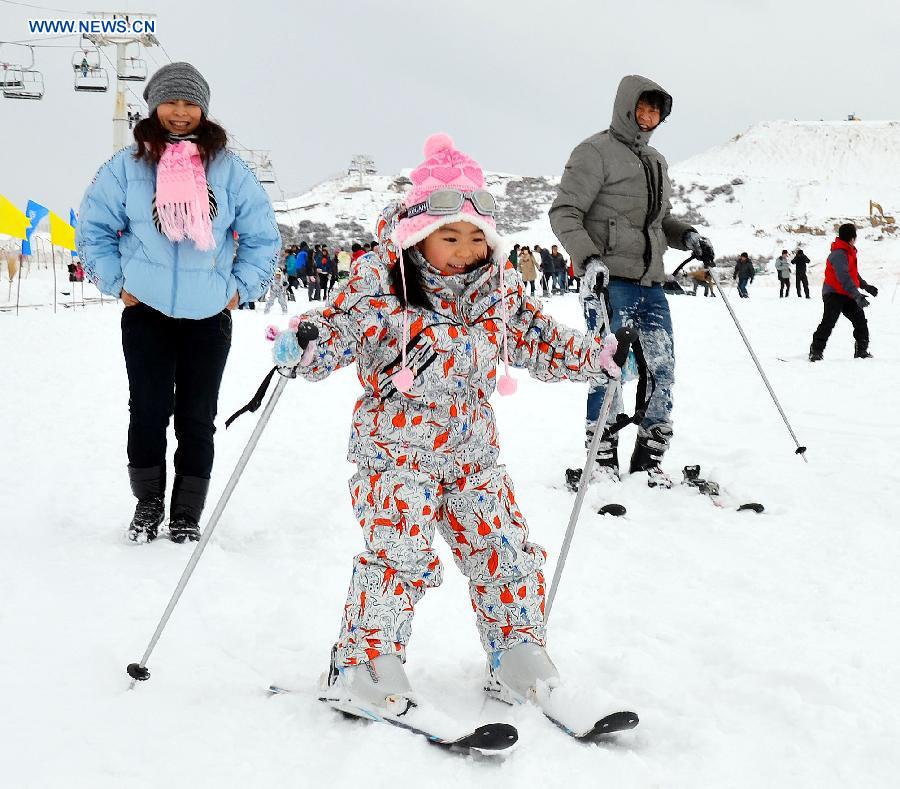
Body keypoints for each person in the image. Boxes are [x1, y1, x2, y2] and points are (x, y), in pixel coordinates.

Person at [270, 134, 621, 721]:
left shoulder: (497, 293)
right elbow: (335, 330)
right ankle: (363, 662)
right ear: (417, 235)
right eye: (449, 236)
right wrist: (303, 344)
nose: (464, 249)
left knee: (502, 547)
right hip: (394, 454)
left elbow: (538, 340)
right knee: (399, 553)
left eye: (476, 236)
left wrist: (595, 357)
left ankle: (517, 652)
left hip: (472, 452)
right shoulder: (380, 285)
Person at [76, 62, 280, 543]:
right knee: (146, 410)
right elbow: (93, 230)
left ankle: (186, 512)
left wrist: (238, 290)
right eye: (172, 102)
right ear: (153, 106)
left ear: (204, 110)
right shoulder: (125, 167)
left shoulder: (229, 169)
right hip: (145, 312)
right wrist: (117, 282)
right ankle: (147, 505)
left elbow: (262, 238)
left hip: (209, 315)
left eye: (191, 103)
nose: (181, 112)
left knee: (196, 417)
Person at [550, 74, 710, 487]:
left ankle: (649, 458)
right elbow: (564, 212)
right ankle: (601, 458)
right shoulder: (593, 152)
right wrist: (588, 259)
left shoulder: (656, 161)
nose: (649, 115)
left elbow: (659, 222)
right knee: (608, 368)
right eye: (643, 106)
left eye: (656, 110)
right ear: (626, 105)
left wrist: (687, 235)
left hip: (650, 283)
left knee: (662, 368)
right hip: (606, 283)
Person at [809, 223, 877, 361]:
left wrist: (866, 286)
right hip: (833, 293)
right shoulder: (839, 254)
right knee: (829, 321)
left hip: (847, 293)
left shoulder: (848, 252)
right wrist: (857, 295)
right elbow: (844, 277)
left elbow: (853, 274)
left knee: (860, 321)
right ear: (852, 238)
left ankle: (862, 350)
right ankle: (816, 350)